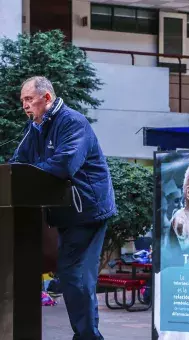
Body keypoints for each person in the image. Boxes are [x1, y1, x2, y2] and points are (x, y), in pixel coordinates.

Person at [11, 76, 116, 340]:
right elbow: (17, 164)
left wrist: (26, 174)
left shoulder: (72, 122)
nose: (24, 105)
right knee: (71, 277)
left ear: (46, 98)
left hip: (87, 211)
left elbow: (63, 165)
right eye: (22, 100)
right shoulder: (35, 127)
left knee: (76, 277)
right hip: (64, 213)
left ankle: (88, 337)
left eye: (28, 99)